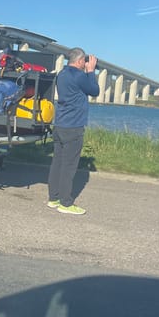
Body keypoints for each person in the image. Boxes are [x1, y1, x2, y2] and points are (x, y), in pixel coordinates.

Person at [47, 48, 99, 215]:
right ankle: (66, 203)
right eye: (84, 62)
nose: (86, 65)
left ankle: (53, 198)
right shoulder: (79, 75)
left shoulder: (61, 74)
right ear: (79, 61)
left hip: (60, 124)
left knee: (57, 163)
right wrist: (91, 72)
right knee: (69, 166)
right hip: (74, 126)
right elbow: (95, 91)